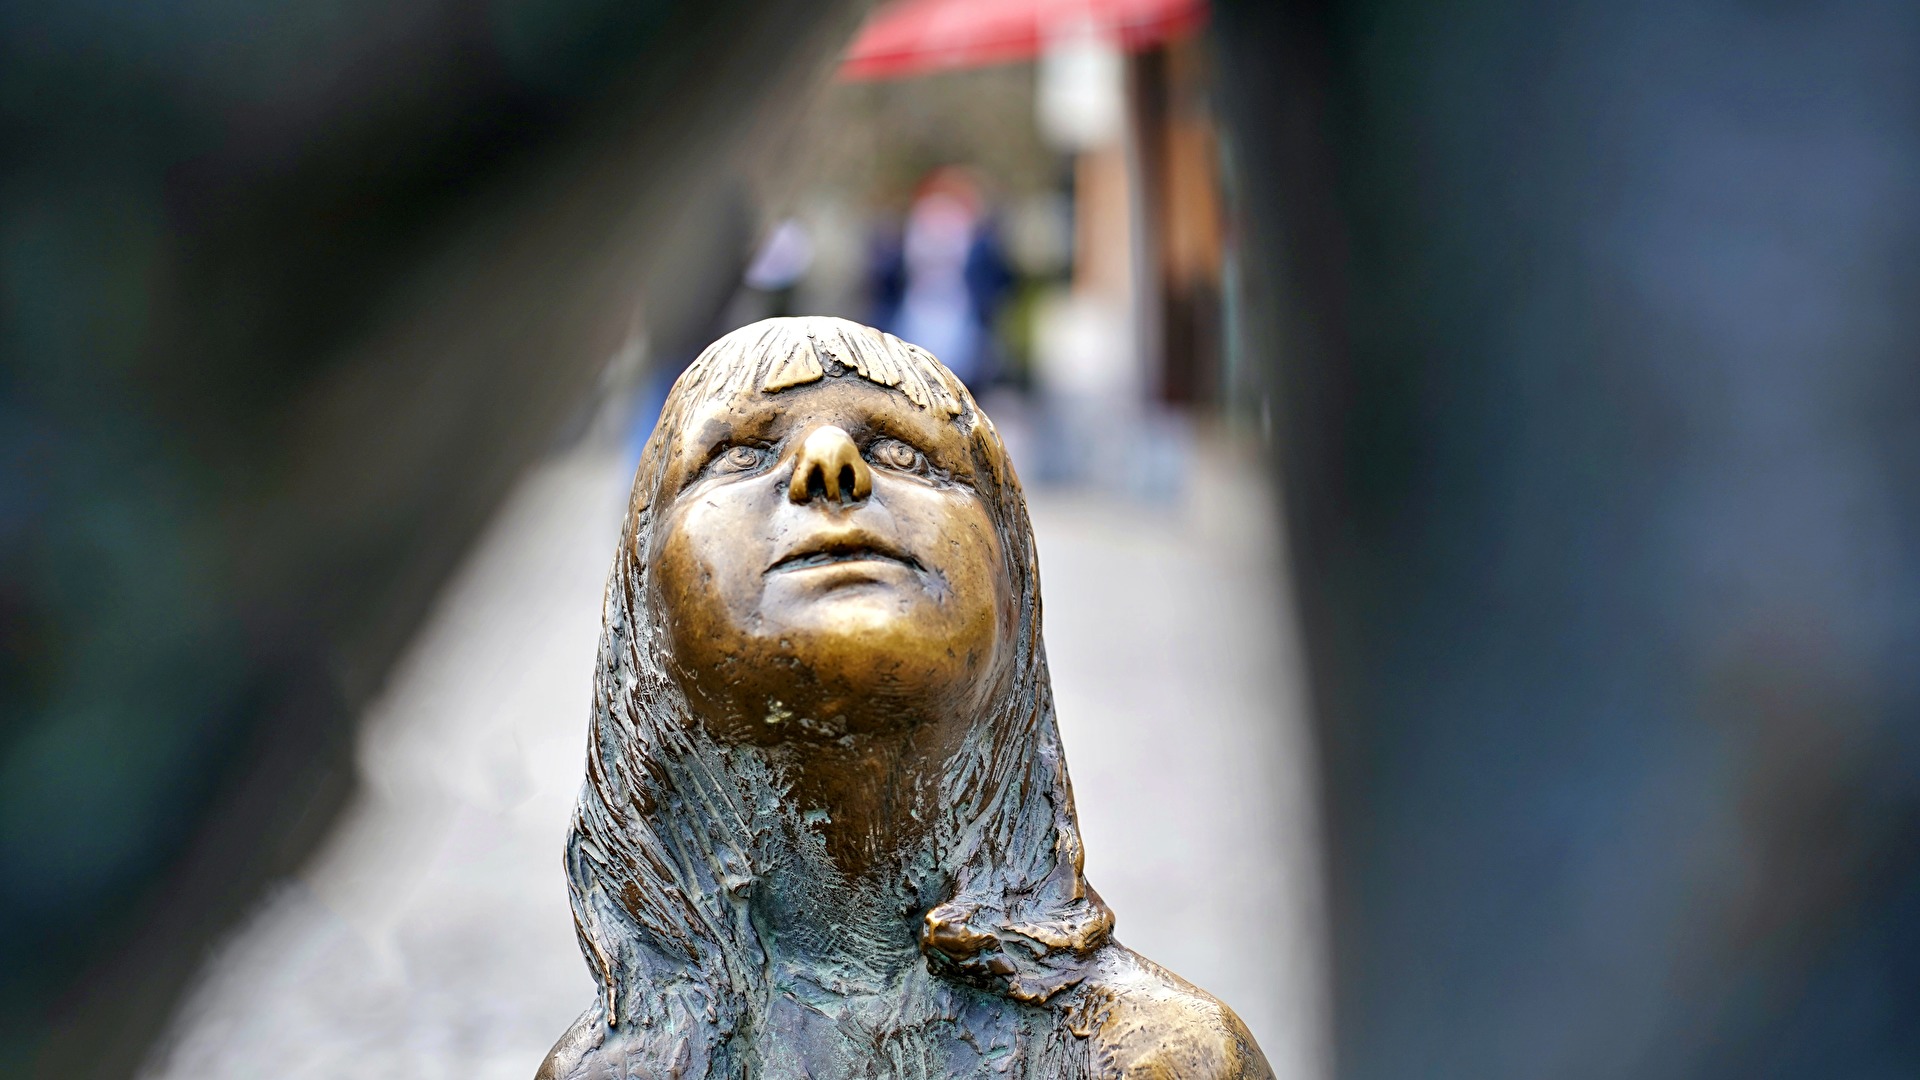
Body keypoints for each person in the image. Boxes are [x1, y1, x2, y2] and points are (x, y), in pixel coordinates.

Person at [539, 317, 1270, 1079]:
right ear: (639, 608)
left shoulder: (1164, 1063)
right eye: (742, 453)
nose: (829, 463)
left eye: (901, 451)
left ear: (1014, 582)